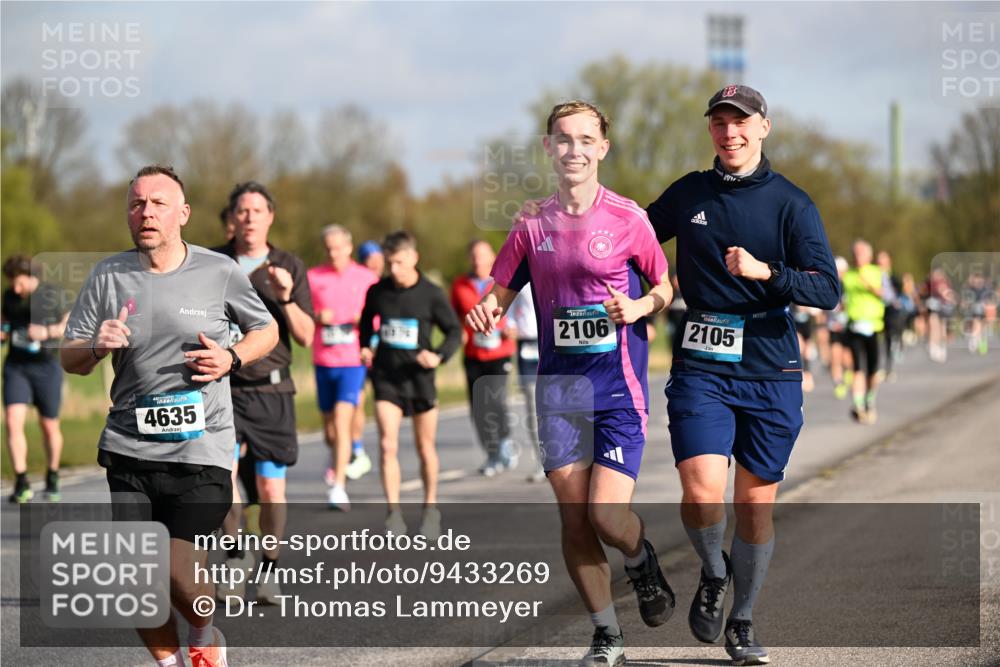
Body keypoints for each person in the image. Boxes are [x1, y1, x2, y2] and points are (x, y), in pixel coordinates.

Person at [472, 101, 676, 667]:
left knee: (606, 517)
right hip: (559, 390)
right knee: (572, 517)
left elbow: (665, 285)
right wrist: (485, 312)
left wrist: (637, 306)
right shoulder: (530, 222)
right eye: (564, 139)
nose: (575, 149)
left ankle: (641, 560)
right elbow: (500, 293)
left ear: (602, 148)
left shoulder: (628, 218)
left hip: (617, 388)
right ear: (548, 148)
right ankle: (606, 632)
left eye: (587, 139)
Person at [644, 85, 840, 664]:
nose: (729, 133)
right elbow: (630, 244)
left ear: (763, 128)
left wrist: (767, 273)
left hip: (769, 367)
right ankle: (712, 570)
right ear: (710, 130)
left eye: (740, 122)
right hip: (702, 361)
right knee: (701, 489)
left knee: (755, 506)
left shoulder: (791, 203)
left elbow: (825, 288)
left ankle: (744, 620)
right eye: (719, 123)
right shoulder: (688, 193)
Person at [60, 165, 277, 667]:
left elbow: (266, 330)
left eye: (158, 203)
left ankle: (204, 631)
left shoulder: (218, 271)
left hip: (201, 446)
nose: (146, 212)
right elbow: (69, 356)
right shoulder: (108, 275)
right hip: (129, 446)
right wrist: (95, 345)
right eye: (137, 203)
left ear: (183, 214)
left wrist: (233, 357)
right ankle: (170, 662)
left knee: (178, 570)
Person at [212, 181, 315, 605]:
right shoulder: (211, 263)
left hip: (272, 393)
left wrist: (287, 298)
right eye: (243, 210)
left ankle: (270, 568)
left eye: (258, 210)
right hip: (221, 392)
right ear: (232, 218)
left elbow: (307, 337)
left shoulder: (288, 264)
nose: (250, 216)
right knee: (223, 484)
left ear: (270, 217)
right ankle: (237, 557)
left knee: (272, 490)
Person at [359, 231, 461, 538]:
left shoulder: (431, 293)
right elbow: (366, 322)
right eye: (390, 263)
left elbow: (455, 331)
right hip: (387, 378)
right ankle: (394, 515)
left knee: (423, 446)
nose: (395, 269)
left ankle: (430, 510)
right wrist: (365, 345)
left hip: (419, 379)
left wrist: (439, 356)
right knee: (387, 444)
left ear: (414, 258)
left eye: (400, 262)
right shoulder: (378, 291)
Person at [307, 224, 378, 510]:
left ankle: (338, 487)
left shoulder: (366, 277)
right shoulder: (313, 277)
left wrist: (365, 322)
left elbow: (377, 318)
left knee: (342, 419)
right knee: (329, 430)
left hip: (353, 361)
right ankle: (339, 453)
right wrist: (316, 316)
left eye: (338, 247)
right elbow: (301, 317)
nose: (334, 253)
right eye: (329, 248)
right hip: (323, 360)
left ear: (349, 248)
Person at [2, 254, 69, 503]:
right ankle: (21, 482)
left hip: (46, 366)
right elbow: (5, 322)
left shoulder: (51, 294)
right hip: (16, 366)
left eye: (19, 282)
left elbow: (70, 323)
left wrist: (47, 331)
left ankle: (52, 476)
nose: (15, 288)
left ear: (31, 277)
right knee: (12, 420)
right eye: (12, 283)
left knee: (49, 426)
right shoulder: (9, 296)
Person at [451, 239, 518, 477]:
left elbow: (521, 309)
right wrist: (458, 331)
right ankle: (491, 454)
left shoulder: (504, 282)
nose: (478, 260)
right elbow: (455, 315)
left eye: (482, 255)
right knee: (478, 407)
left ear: (492, 258)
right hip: (473, 353)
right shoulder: (460, 284)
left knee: (496, 402)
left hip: (500, 352)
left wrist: (514, 327)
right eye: (474, 256)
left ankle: (504, 443)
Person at [842, 239, 885, 424]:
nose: (857, 256)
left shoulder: (877, 273)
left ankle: (869, 399)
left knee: (873, 369)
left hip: (874, 327)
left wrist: (869, 285)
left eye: (861, 253)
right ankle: (858, 405)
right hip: (854, 326)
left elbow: (886, 295)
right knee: (857, 367)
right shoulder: (848, 275)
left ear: (869, 255)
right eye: (855, 253)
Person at [508, 283, 546, 482]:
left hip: (552, 340)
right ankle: (542, 461)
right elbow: (509, 302)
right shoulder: (521, 271)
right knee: (533, 408)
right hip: (527, 346)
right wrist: (511, 324)